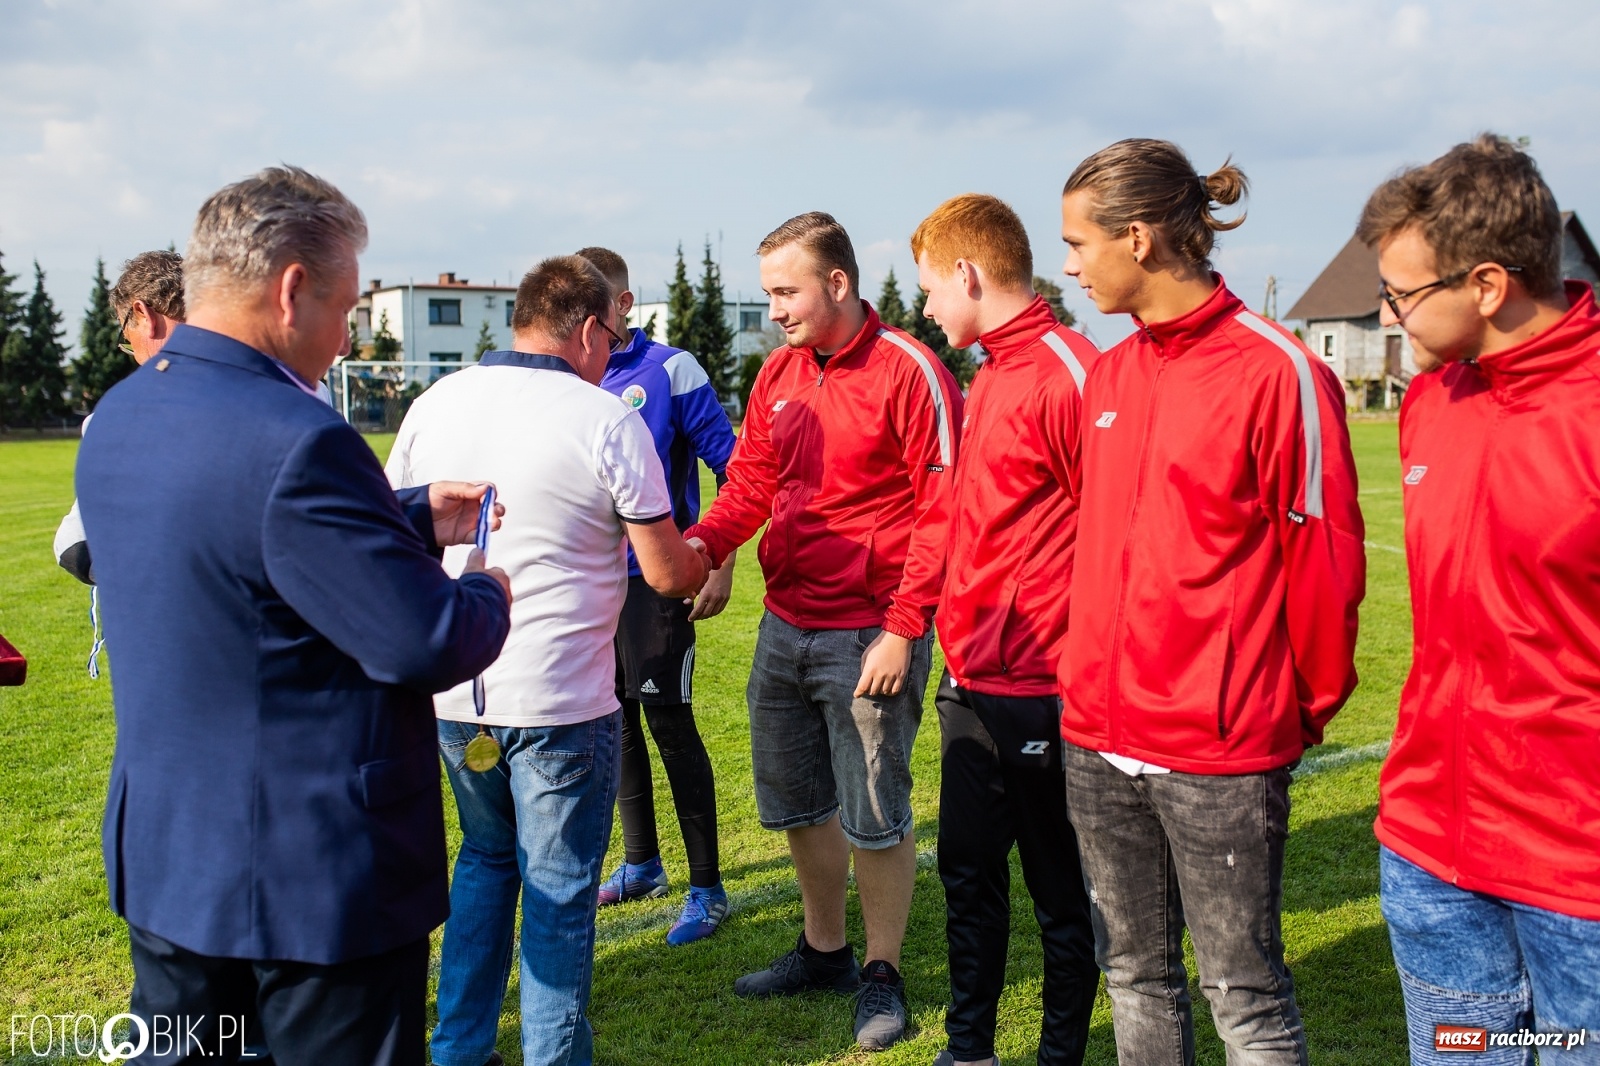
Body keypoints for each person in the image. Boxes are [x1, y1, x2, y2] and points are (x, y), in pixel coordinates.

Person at [74, 165, 513, 1066]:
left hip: (171, 855)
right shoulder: (301, 437)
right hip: (309, 879)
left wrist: (403, 513)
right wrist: (486, 591)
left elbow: (231, 546)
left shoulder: (123, 412)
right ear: (291, 289)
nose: (347, 339)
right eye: (345, 309)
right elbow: (423, 639)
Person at [1055, 139, 1366, 1065]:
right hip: (1097, 738)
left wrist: (1282, 711)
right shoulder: (1110, 374)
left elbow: (1327, 565)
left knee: (1245, 998)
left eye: (1077, 243)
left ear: (1138, 238)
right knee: (1133, 978)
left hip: (1221, 750)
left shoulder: (1279, 372)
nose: (1068, 266)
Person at [386, 255, 711, 1066]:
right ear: (591, 329)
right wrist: (709, 551)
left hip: (457, 690)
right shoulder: (604, 417)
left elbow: (389, 530)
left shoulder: (435, 400)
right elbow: (666, 572)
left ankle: (459, 1050)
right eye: (615, 335)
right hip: (560, 698)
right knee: (560, 894)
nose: (616, 351)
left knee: (484, 862)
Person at [684, 211, 963, 1051]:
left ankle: (882, 971)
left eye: (785, 292)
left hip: (870, 632)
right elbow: (751, 482)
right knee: (798, 803)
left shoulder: (911, 370)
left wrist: (902, 629)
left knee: (874, 809)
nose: (774, 310)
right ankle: (825, 950)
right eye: (768, 293)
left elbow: (943, 512)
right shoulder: (778, 372)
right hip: (785, 622)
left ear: (837, 283)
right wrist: (703, 545)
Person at [1361, 135, 1600, 1062]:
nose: (1390, 314)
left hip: (1578, 877)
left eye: (1402, 295)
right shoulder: (1432, 402)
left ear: (1489, 285)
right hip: (1431, 854)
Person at [911, 193, 1100, 1066]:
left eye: (928, 288)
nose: (925, 307)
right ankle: (969, 1050)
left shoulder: (1070, 372)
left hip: (1045, 689)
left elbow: (1115, 533)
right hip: (970, 680)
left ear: (967, 274)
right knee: (966, 875)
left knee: (1060, 896)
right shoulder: (989, 373)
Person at [575, 246, 740, 945]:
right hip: (592, 583)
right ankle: (642, 864)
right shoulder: (569, 377)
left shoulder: (672, 370)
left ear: (622, 304)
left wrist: (719, 560)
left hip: (657, 582)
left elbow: (735, 468)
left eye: (597, 308)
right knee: (613, 722)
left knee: (669, 723)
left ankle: (708, 888)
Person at [54, 249, 186, 583]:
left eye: (126, 334)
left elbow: (73, 541)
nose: (132, 352)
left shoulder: (119, 418)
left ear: (143, 314)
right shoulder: (285, 388)